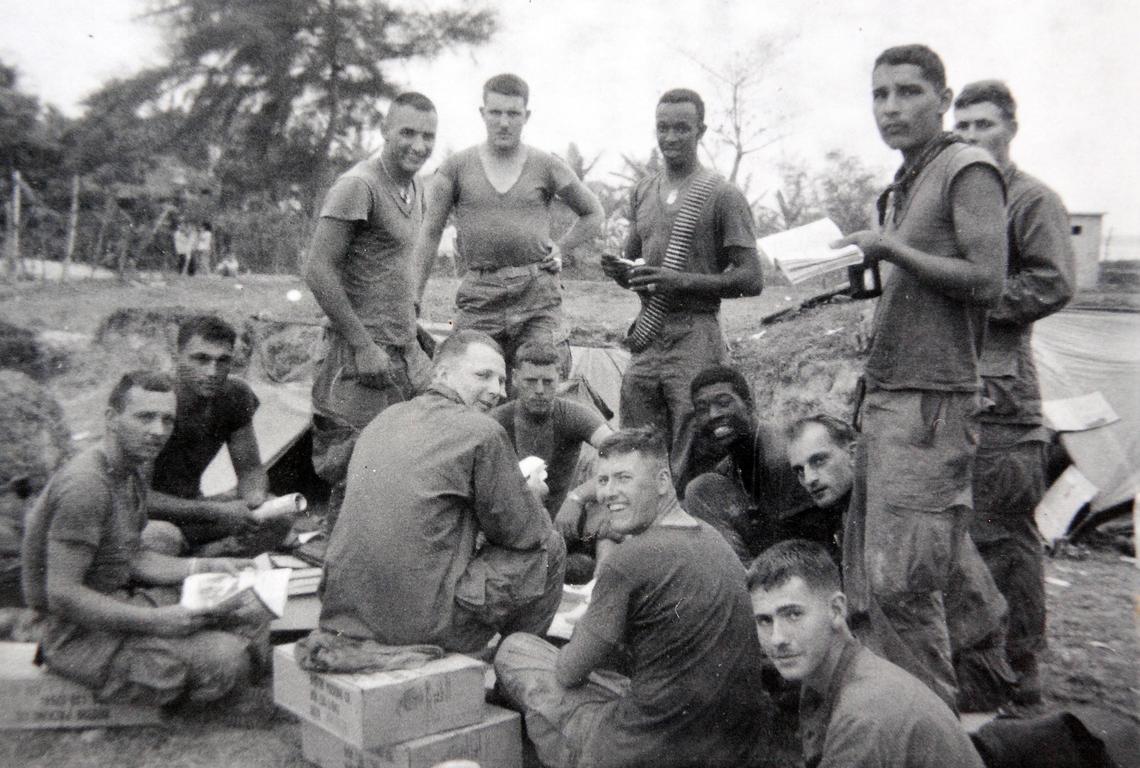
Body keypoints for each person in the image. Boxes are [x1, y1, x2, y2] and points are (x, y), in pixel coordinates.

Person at [830, 44, 1008, 710]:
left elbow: (988, 279)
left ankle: (928, 734)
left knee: (905, 589)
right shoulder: (908, 179)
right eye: (879, 94)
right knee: (876, 583)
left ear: (943, 98)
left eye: (907, 92)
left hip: (932, 409)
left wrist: (890, 247)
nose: (891, 107)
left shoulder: (966, 168)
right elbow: (913, 287)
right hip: (890, 399)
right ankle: (894, 723)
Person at [493, 427, 770, 768]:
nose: (609, 493)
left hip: (644, 750)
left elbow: (567, 672)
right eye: (603, 481)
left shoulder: (631, 558)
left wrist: (587, 631)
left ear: (664, 481)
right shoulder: (712, 537)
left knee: (515, 650)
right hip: (727, 745)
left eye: (623, 478)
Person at [21, 371, 268, 706]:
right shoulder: (86, 485)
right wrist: (155, 621)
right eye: (145, 417)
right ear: (112, 418)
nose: (158, 431)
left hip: (113, 602)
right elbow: (62, 595)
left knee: (237, 603)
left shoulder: (129, 469)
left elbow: (133, 555)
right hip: (73, 635)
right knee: (226, 659)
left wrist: (206, 565)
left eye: (167, 420)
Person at [319, 330, 565, 654]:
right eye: (483, 376)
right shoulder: (482, 431)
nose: (496, 391)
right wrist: (529, 495)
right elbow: (526, 535)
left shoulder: (385, 418)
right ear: (442, 373)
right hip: (421, 627)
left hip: (344, 615)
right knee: (551, 546)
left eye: (502, 381)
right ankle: (511, 669)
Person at [954, 79, 1076, 705]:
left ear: (1011, 128)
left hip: (1005, 393)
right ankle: (979, 661)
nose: (973, 138)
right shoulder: (961, 198)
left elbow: (1053, 283)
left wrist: (972, 292)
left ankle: (1022, 664)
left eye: (985, 126)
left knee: (1005, 536)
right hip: (951, 384)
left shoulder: (1030, 199)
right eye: (964, 127)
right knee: (963, 535)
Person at [787, 414, 1015, 711]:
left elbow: (921, 634)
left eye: (819, 461)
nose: (810, 479)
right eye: (800, 470)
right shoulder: (862, 501)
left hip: (968, 666)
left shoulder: (890, 513)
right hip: (949, 650)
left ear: (854, 453)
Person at [303, 92, 439, 525]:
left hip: (400, 350)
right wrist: (362, 344)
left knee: (402, 470)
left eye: (428, 136)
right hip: (359, 358)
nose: (418, 145)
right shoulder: (358, 185)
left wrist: (410, 322)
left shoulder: (416, 185)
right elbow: (318, 270)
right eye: (407, 132)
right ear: (384, 130)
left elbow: (397, 264)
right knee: (355, 473)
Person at [602, 89, 762, 450]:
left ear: (700, 131)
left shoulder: (722, 193)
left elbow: (752, 278)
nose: (670, 138)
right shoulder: (643, 191)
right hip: (648, 333)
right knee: (637, 446)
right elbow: (635, 258)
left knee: (697, 446)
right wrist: (622, 271)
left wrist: (681, 281)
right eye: (663, 128)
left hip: (696, 334)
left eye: (681, 128)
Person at [413, 73, 603, 375]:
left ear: (525, 116)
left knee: (541, 385)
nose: (504, 122)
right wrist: (413, 299)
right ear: (482, 114)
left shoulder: (547, 164)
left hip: (537, 296)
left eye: (513, 114)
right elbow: (429, 233)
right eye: (496, 113)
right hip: (479, 296)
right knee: (465, 383)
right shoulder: (455, 168)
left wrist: (560, 248)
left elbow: (593, 213)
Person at [748, 540, 985, 768]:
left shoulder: (862, 712)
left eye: (793, 614)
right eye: (764, 620)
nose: (777, 638)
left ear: (837, 610)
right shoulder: (842, 675)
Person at [143, 315, 287, 557]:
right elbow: (140, 498)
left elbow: (250, 469)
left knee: (279, 514)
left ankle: (200, 559)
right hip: (142, 517)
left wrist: (254, 501)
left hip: (193, 509)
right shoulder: (155, 399)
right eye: (200, 359)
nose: (212, 371)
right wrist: (216, 511)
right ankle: (201, 560)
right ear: (176, 356)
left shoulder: (235, 394)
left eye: (223, 361)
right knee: (162, 539)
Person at [676, 365, 814, 563]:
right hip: (772, 557)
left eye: (723, 403)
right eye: (702, 409)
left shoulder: (780, 455)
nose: (713, 414)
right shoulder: (728, 465)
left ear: (749, 406)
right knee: (700, 490)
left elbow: (804, 534)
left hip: (802, 559)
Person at [490, 340, 611, 518]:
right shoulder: (496, 421)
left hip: (563, 520)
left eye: (547, 382)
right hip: (511, 519)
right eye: (530, 381)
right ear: (515, 378)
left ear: (560, 379)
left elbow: (623, 452)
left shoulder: (572, 414)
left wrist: (578, 497)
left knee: (604, 517)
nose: (539, 390)